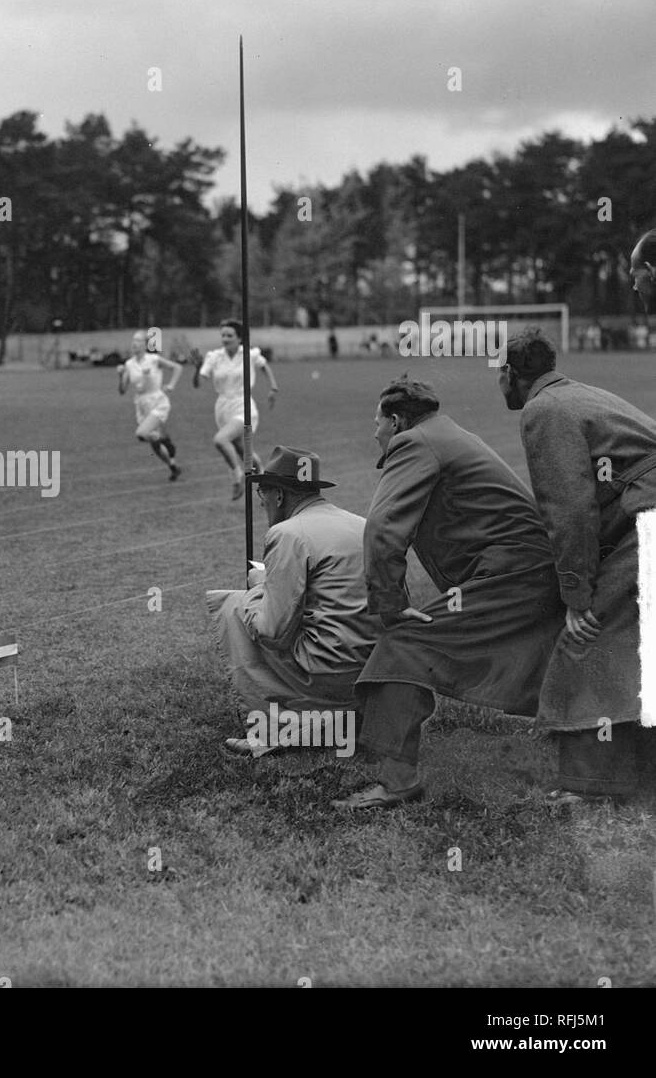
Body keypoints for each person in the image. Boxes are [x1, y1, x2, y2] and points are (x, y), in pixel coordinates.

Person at [333, 377, 563, 810]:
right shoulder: (448, 433)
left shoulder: (415, 443)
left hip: (513, 572)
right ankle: (610, 748)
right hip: (531, 570)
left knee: (402, 648)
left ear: (396, 420)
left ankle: (397, 783)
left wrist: (391, 607)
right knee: (554, 660)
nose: (374, 433)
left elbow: (382, 530)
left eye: (377, 423)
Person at [500, 327, 656, 804]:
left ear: (509, 375)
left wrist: (577, 596)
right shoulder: (580, 394)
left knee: (587, 643)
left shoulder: (543, 411)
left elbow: (570, 512)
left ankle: (591, 786)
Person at [205, 446, 378, 758]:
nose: (263, 504)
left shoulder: (287, 533)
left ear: (280, 496)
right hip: (373, 667)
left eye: (263, 495)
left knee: (234, 605)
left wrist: (260, 585)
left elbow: (272, 631)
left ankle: (272, 729)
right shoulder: (361, 523)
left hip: (329, 670)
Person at [193, 320, 278, 499]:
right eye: (223, 335)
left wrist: (273, 387)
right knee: (242, 450)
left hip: (243, 405)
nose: (225, 339)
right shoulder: (214, 356)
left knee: (220, 440)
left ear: (239, 338)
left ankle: (237, 477)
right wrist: (196, 368)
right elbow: (198, 382)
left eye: (229, 335)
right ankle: (264, 478)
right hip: (223, 408)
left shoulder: (249, 353)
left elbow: (263, 365)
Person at [118, 330, 182, 480]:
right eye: (133, 340)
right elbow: (122, 390)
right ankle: (173, 466)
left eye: (139, 341)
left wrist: (171, 385)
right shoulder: (129, 364)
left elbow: (178, 368)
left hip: (157, 402)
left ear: (146, 344)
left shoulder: (154, 359)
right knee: (154, 444)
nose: (134, 344)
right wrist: (121, 376)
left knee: (142, 434)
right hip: (141, 405)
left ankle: (164, 439)